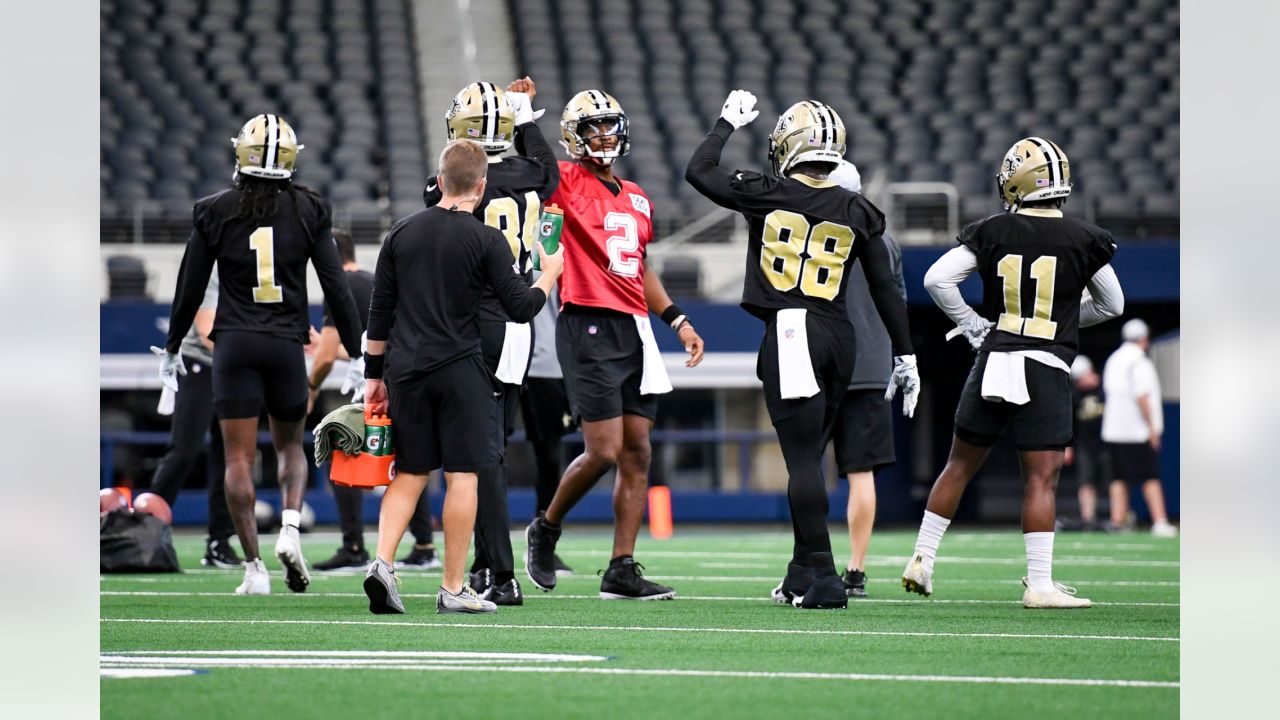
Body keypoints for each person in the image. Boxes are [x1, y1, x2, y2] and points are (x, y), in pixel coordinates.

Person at [686, 92, 917, 610]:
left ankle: (826, 577)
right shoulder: (858, 207)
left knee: (802, 460)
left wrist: (724, 124)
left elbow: (699, 170)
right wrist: (907, 355)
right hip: (841, 336)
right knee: (808, 459)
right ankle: (800, 573)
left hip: (793, 329)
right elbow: (885, 288)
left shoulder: (767, 191)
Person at [904, 137, 1124, 609]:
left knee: (958, 465)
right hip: (1044, 363)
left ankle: (922, 558)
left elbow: (936, 280)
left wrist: (970, 323)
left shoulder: (994, 229)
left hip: (995, 357)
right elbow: (1112, 304)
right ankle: (1039, 585)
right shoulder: (1086, 237)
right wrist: (1061, 317)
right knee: (1041, 480)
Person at [155, 114, 365, 595]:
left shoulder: (212, 209)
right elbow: (336, 287)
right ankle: (290, 527)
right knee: (291, 446)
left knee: (237, 459)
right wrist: (357, 353)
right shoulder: (310, 209)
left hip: (234, 344)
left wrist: (172, 345)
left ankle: (254, 567)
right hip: (285, 343)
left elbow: (189, 286)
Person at [360, 139, 563, 615]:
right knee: (463, 474)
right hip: (460, 368)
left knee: (409, 473)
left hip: (405, 369)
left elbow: (379, 311)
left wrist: (374, 375)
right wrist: (549, 273)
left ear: (440, 178)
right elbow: (521, 307)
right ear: (482, 185)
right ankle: (453, 586)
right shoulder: (485, 238)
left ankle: (383, 564)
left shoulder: (400, 233)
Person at [523, 88, 705, 601]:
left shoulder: (639, 196)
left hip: (635, 326)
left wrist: (678, 320)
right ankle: (547, 527)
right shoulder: (565, 180)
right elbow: (537, 163)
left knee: (638, 452)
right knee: (601, 450)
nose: (602, 136)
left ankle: (620, 568)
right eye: (591, 128)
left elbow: (640, 266)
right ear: (573, 137)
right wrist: (521, 120)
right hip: (588, 322)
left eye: (608, 126)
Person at [422, 78, 560, 604]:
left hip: (477, 321)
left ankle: (499, 573)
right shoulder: (532, 174)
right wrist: (520, 111)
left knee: (483, 455)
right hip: (519, 321)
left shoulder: (454, 184)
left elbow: (440, 191)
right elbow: (543, 161)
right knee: (491, 447)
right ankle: (485, 564)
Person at [303, 229, 440, 571]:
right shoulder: (370, 279)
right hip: (403, 374)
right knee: (410, 462)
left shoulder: (341, 287)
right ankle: (423, 545)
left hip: (378, 383)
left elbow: (328, 355)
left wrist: (311, 389)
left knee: (345, 449)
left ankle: (352, 545)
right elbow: (360, 345)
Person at [821, 160, 907, 598]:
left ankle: (810, 565)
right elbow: (898, 302)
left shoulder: (812, 237)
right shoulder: (885, 242)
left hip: (819, 361)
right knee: (861, 473)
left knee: (806, 467)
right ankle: (855, 569)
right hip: (871, 363)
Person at [148, 269, 240, 568]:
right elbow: (206, 329)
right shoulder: (213, 267)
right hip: (199, 363)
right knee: (184, 450)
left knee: (229, 456)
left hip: (232, 366)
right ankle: (146, 531)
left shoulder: (250, 262)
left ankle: (219, 541)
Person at [519, 278, 576, 576]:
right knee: (486, 455)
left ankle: (543, 544)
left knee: (550, 458)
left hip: (548, 364)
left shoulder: (561, 244)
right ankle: (487, 552)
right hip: (503, 357)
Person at [1101, 319, 1177, 537]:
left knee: (1118, 478)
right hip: (1136, 431)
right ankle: (1160, 521)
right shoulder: (1139, 361)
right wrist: (1152, 428)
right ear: (1143, 338)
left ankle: (1118, 521)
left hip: (1114, 430)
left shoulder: (1114, 359)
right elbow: (1142, 395)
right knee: (1150, 477)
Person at [1061, 354, 1108, 531]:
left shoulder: (1105, 388)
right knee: (1085, 481)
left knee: (1113, 480)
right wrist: (1068, 446)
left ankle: (1119, 517)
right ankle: (1088, 517)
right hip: (1085, 444)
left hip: (1107, 441)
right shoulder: (1075, 394)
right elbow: (1069, 421)